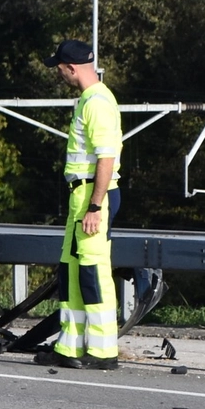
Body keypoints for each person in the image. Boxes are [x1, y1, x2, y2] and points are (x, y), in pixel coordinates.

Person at [37, 39, 123, 370]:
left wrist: (95, 206)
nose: (59, 74)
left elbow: (106, 158)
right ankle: (68, 347)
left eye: (60, 69)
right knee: (71, 270)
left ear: (72, 68)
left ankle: (103, 352)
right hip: (82, 195)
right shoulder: (89, 99)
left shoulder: (97, 102)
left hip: (92, 196)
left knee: (93, 271)